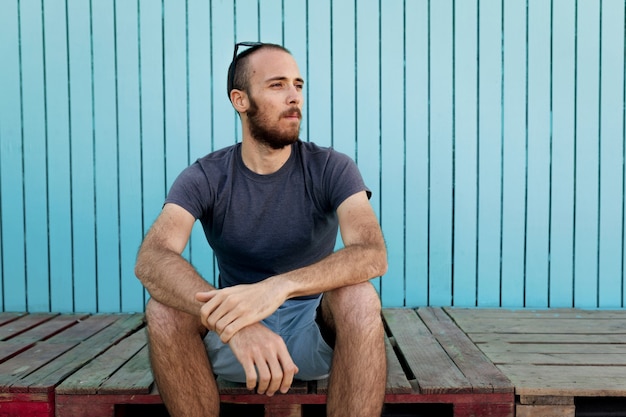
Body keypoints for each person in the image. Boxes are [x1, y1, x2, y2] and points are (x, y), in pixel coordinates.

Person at [135, 42, 388, 417]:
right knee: (163, 310)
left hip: (311, 333)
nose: (293, 97)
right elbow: (152, 258)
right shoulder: (206, 175)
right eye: (277, 85)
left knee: (360, 297)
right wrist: (236, 324)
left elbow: (371, 252)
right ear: (240, 100)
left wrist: (278, 287)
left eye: (298, 85)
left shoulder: (332, 167)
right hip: (235, 340)